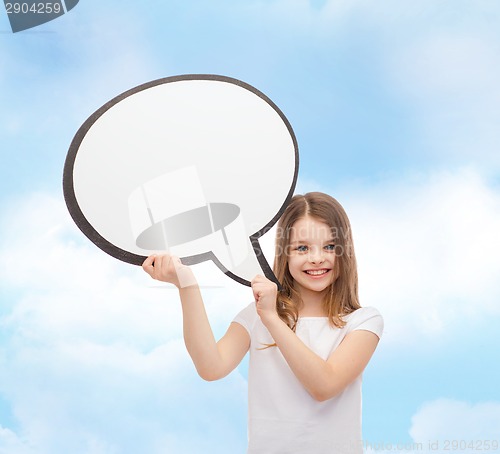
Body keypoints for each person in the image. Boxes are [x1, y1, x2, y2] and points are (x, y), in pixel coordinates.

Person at [142, 192, 383, 454]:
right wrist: (186, 284)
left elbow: (324, 386)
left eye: (330, 247)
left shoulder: (363, 322)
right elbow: (211, 367)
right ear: (285, 253)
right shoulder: (255, 315)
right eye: (302, 248)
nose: (316, 258)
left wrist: (271, 317)